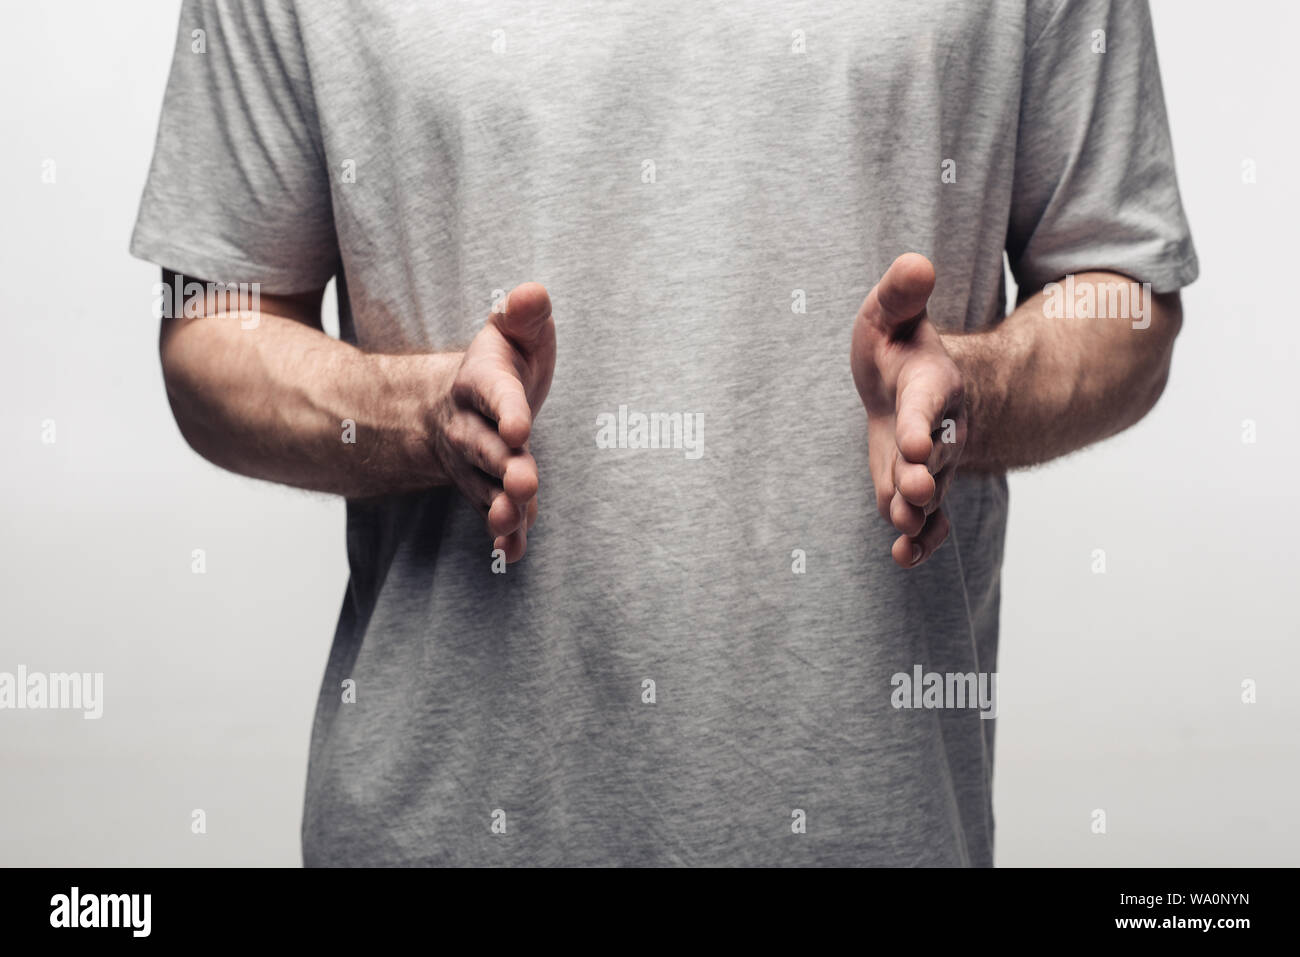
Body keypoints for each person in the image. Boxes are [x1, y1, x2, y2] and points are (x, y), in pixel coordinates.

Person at [132, 0, 1197, 866]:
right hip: (440, 831)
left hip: (877, 828)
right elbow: (216, 334)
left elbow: (1122, 291)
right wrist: (416, 417)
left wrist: (977, 387)